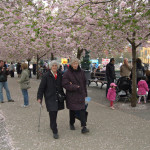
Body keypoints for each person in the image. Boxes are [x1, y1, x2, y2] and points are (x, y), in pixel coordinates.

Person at [37, 60, 65, 139]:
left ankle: (52, 124)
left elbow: (62, 85)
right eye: (53, 66)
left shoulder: (59, 74)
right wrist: (39, 97)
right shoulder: (46, 75)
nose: (54, 67)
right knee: (52, 112)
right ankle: (55, 131)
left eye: (56, 66)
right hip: (50, 97)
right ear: (50, 67)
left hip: (57, 97)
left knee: (55, 112)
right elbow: (41, 88)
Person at [62, 58, 89, 134]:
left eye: (76, 63)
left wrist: (86, 95)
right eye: (74, 63)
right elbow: (65, 84)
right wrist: (74, 86)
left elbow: (84, 84)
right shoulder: (67, 73)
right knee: (72, 110)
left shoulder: (82, 72)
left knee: (82, 109)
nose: (75, 65)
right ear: (71, 64)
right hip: (72, 95)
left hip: (81, 94)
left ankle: (84, 127)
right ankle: (71, 123)